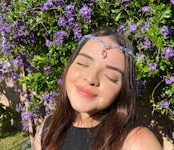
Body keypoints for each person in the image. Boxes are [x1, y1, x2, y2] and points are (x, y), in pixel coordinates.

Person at [33, 27, 163, 150]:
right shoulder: (50, 126)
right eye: (82, 63)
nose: (91, 78)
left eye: (110, 76)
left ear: (123, 90)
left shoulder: (136, 142)